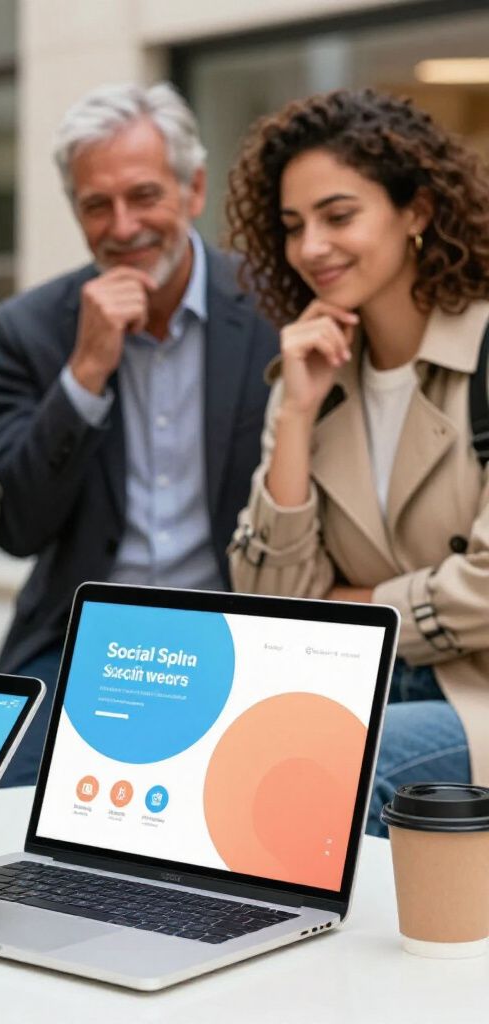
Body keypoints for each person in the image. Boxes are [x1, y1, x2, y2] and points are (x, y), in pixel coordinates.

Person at [0, 82, 279, 784]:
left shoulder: (275, 306)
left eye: (144, 195)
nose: (122, 227)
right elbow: (16, 528)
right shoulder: (31, 327)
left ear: (193, 189)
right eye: (97, 205)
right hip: (79, 645)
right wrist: (85, 371)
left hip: (240, 639)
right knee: (3, 815)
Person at [225, 89, 489, 835]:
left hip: (475, 700)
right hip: (358, 688)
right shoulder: (313, 375)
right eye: (292, 226)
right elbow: (272, 601)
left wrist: (347, 610)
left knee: (332, 776)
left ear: (418, 212)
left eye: (339, 216)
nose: (311, 247)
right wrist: (299, 413)